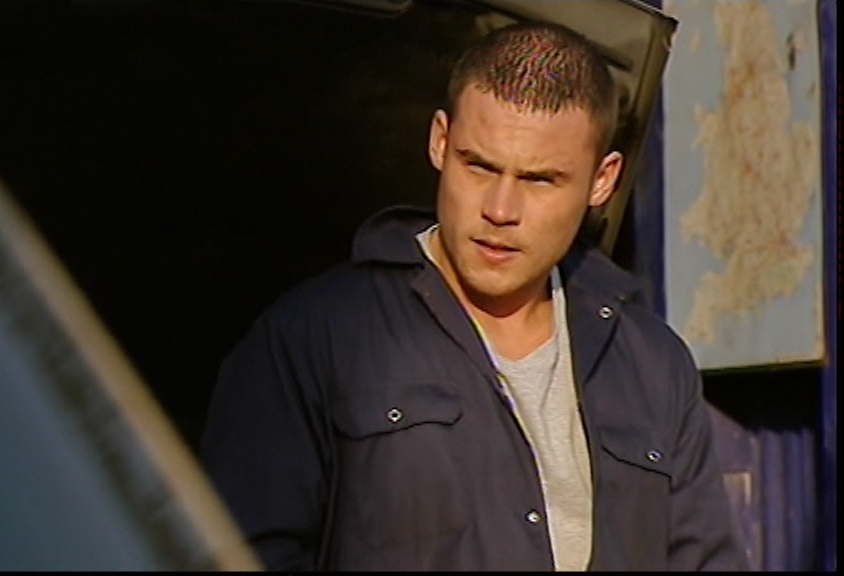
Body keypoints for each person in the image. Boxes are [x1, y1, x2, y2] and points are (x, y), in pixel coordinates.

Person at [199, 20, 749, 571]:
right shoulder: (312, 339)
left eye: (540, 180)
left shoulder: (653, 364)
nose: (500, 209)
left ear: (602, 181)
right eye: (479, 166)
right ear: (440, 141)